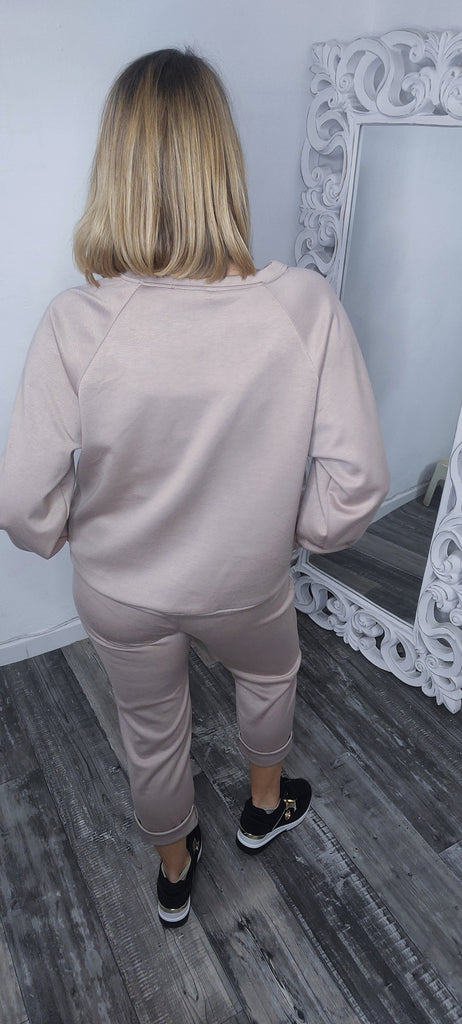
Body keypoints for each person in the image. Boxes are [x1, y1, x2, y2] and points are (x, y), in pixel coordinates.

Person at [0, 48, 389, 927]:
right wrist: (293, 532)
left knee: (150, 728)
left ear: (117, 167)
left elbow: (22, 504)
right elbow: (358, 481)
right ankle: (264, 806)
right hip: (246, 579)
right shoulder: (301, 307)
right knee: (271, 674)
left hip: (120, 589)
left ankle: (175, 870)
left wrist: (77, 535)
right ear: (224, 162)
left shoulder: (76, 321)